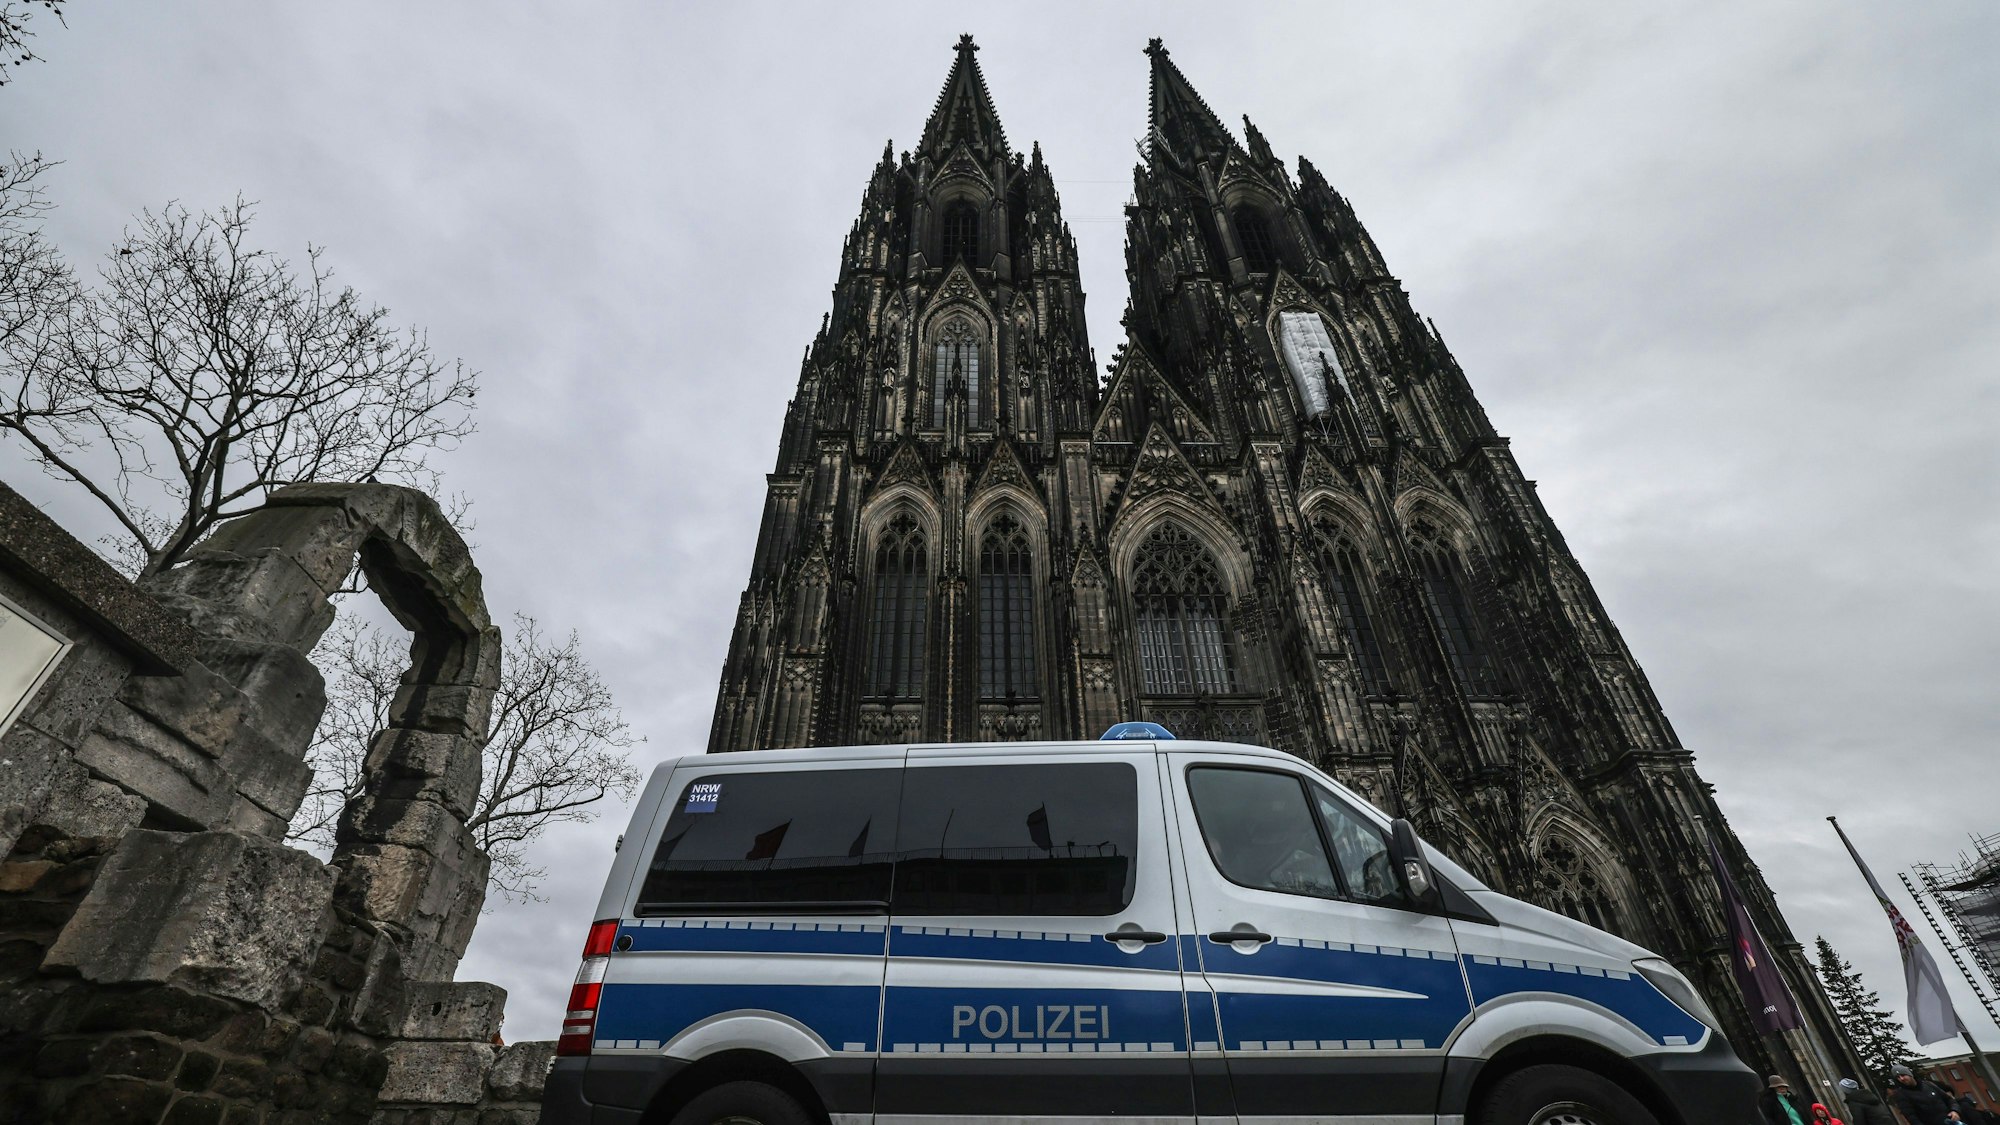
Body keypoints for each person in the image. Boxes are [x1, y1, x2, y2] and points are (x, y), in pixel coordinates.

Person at [1889, 1064, 1962, 1125]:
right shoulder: (1901, 1095)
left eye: (1903, 1075)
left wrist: (1955, 1111)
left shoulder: (1928, 1085)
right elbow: (1911, 1117)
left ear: (1910, 1074)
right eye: (1898, 1077)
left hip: (1951, 1121)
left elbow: (1949, 1100)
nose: (1901, 1079)